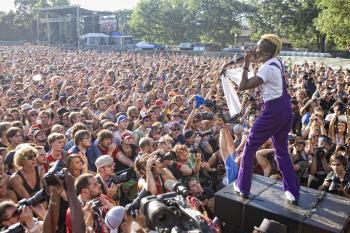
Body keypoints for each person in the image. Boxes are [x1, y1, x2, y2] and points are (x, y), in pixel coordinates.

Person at [224, 34, 300, 203]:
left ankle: (242, 187)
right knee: (281, 150)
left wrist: (246, 62)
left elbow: (243, 86)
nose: (254, 50)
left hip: (274, 111)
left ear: (266, 53)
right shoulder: (276, 62)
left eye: (257, 48)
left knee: (250, 145)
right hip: (285, 109)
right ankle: (292, 192)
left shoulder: (267, 68)